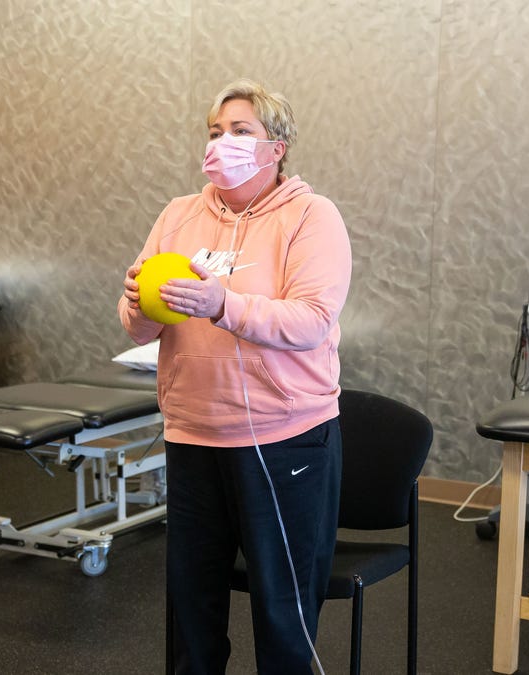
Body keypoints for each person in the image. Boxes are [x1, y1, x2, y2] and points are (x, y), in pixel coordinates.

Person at [118, 79, 352, 674]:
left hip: (282, 438)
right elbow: (140, 331)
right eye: (215, 132)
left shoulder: (311, 217)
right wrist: (138, 305)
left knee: (281, 614)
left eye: (240, 131)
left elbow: (311, 321)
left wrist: (221, 304)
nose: (223, 143)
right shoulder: (178, 216)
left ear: (276, 147)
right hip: (193, 432)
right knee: (191, 614)